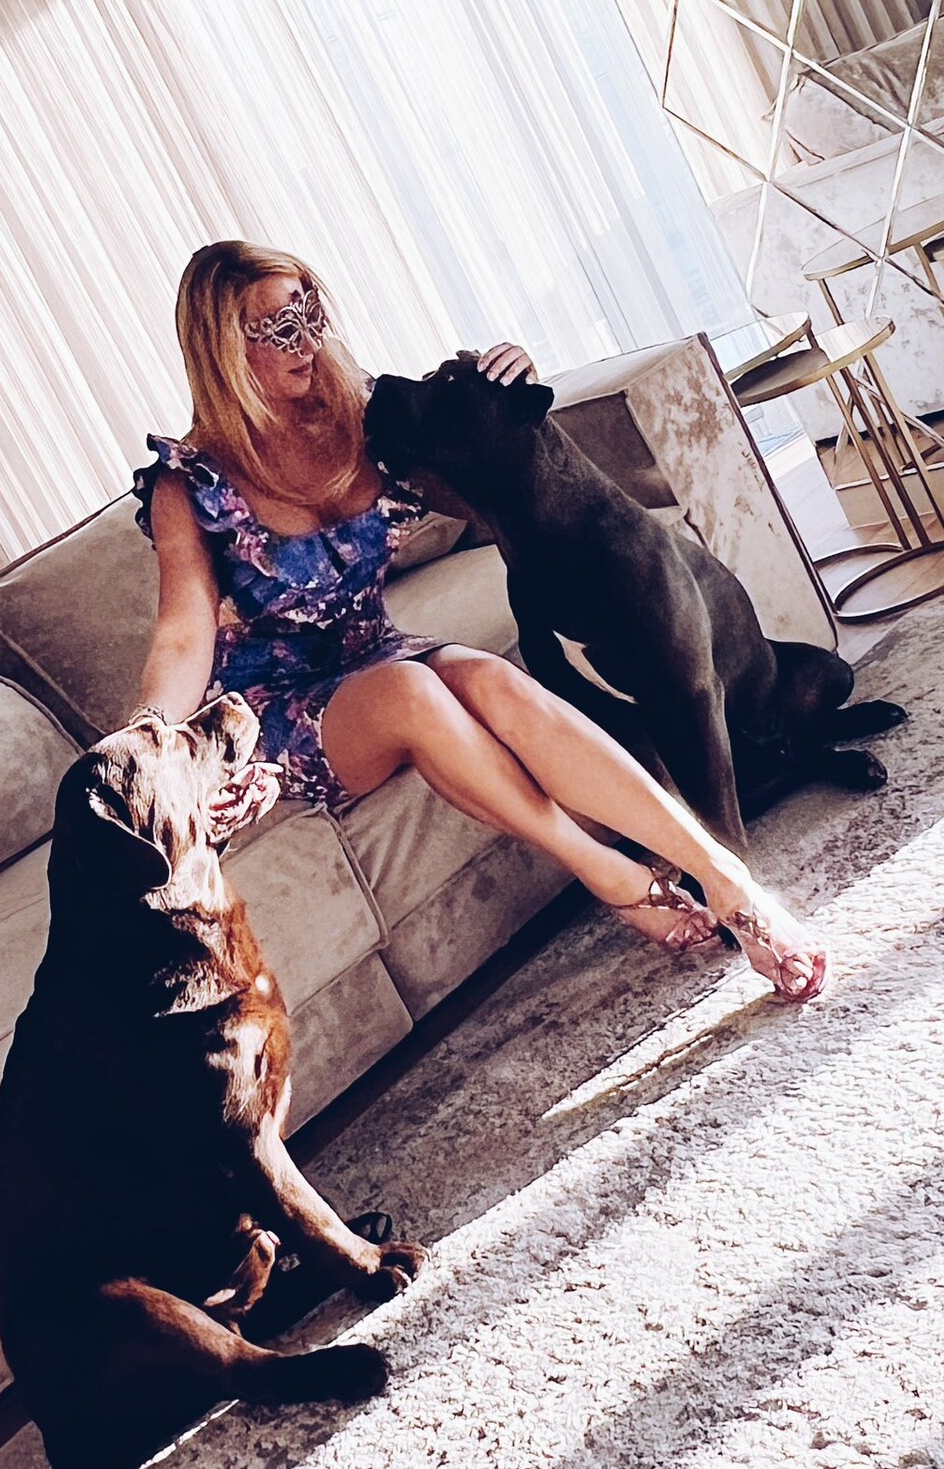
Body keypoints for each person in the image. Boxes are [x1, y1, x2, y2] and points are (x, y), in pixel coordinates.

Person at [131, 240, 827, 1001]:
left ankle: (729, 880)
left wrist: (513, 396)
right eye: (278, 329)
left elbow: (511, 481)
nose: (307, 341)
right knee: (414, 692)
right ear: (223, 349)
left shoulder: (357, 418)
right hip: (276, 704)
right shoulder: (189, 483)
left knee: (491, 680)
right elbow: (184, 632)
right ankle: (613, 875)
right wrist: (148, 745)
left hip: (375, 651)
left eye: (311, 312)